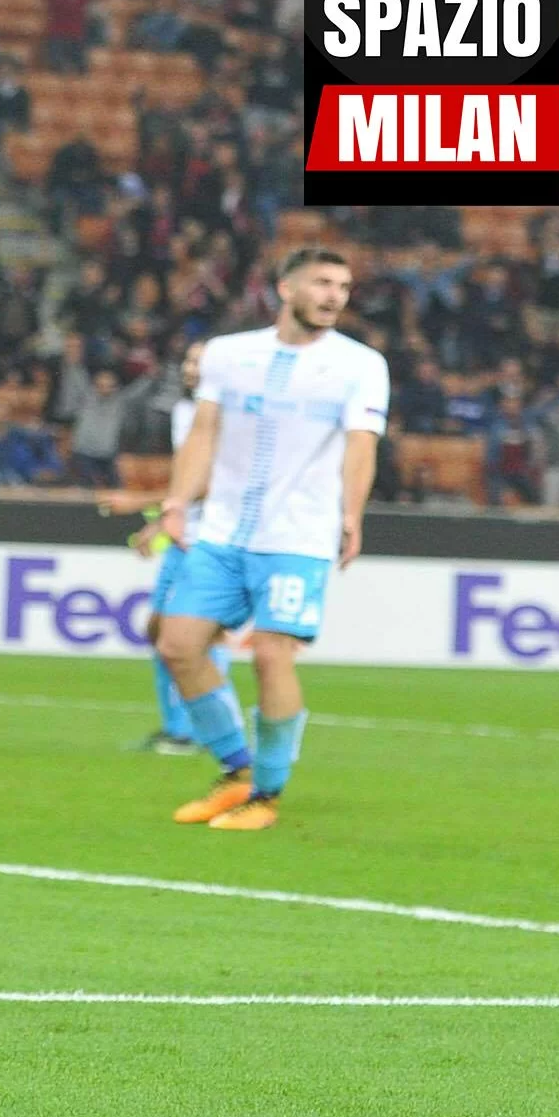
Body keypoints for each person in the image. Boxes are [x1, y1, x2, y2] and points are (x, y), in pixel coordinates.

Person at [156, 248, 388, 831]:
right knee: (177, 645)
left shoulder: (361, 364)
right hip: (224, 531)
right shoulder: (229, 355)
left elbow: (362, 445)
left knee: (269, 653)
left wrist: (352, 515)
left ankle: (267, 794)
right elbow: (203, 433)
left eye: (343, 285)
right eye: (323, 283)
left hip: (298, 535)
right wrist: (177, 503)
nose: (335, 295)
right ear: (286, 288)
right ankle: (236, 772)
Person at [106, 341, 240, 756]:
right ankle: (178, 730)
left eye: (200, 362)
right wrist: (164, 522)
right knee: (159, 632)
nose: (190, 368)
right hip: (184, 537)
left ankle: (212, 731)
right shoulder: (185, 413)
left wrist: (142, 503)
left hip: (215, 541)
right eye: (188, 360)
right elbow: (188, 480)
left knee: (200, 638)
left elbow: (215, 486)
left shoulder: (231, 419)